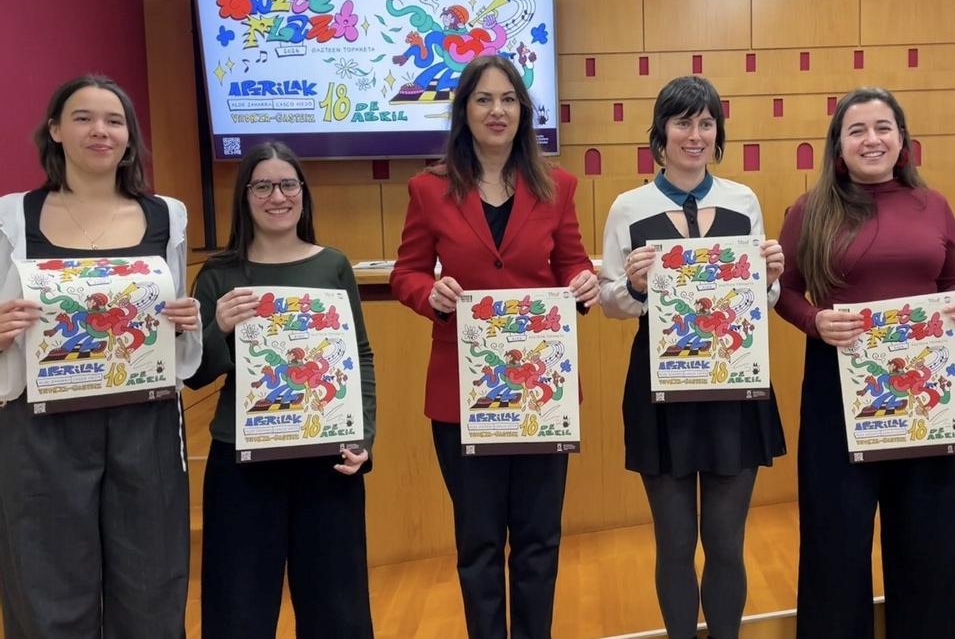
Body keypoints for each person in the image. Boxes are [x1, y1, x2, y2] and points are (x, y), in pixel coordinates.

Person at [389, 55, 598, 639]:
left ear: (523, 111)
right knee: (478, 543)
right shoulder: (428, 189)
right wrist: (430, 294)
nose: (497, 110)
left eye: (508, 99)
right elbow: (406, 273)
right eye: (483, 99)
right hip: (462, 395)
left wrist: (582, 283)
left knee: (538, 541)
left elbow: (571, 262)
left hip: (541, 392)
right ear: (465, 111)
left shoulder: (557, 185)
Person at [775, 86, 955, 639]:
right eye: (857, 130)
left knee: (929, 544)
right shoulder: (809, 210)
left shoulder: (933, 205)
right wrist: (814, 321)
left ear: (902, 139)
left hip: (927, 393)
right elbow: (783, 291)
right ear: (838, 145)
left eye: (883, 127)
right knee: (836, 543)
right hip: (838, 390)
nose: (872, 139)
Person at [0, 74, 201, 638]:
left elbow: (176, 332)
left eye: (114, 121)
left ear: (129, 137)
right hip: (41, 426)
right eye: (83, 118)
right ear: (55, 130)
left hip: (145, 421)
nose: (100, 131)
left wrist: (185, 322)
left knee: (150, 582)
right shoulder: (11, 217)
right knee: (45, 581)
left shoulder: (168, 216)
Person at [598, 75, 787, 639]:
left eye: (706, 123)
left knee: (726, 542)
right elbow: (610, 301)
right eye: (683, 122)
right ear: (661, 133)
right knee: (675, 543)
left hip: (734, 388)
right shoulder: (629, 207)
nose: (695, 135)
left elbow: (764, 298)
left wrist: (769, 279)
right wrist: (633, 286)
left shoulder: (742, 201)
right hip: (661, 392)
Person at [187, 141, 376, 638]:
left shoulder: (333, 265)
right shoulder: (218, 274)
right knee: (238, 611)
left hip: (327, 458)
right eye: (263, 186)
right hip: (242, 464)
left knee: (338, 611)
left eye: (288, 184)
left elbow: (360, 356)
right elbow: (194, 374)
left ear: (303, 193)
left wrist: (363, 437)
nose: (277, 196)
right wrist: (217, 328)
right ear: (245, 196)